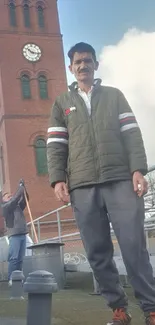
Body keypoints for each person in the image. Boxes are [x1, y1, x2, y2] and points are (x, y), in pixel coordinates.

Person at [47, 42, 155, 325]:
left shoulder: (114, 96)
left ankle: (151, 308)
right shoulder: (61, 104)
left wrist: (137, 170)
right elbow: (56, 145)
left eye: (88, 60)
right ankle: (118, 309)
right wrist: (58, 179)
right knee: (96, 250)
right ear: (71, 68)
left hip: (120, 178)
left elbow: (132, 133)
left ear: (96, 64)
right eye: (78, 62)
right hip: (82, 185)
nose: (83, 65)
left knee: (134, 246)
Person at [1, 180, 28, 286]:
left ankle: (18, 277)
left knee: (20, 259)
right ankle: (11, 278)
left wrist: (24, 189)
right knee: (14, 258)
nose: (10, 197)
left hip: (23, 233)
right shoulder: (5, 207)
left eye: (11, 195)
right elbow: (14, 199)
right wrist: (20, 188)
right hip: (14, 235)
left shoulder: (17, 206)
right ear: (3, 200)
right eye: (8, 196)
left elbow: (24, 200)